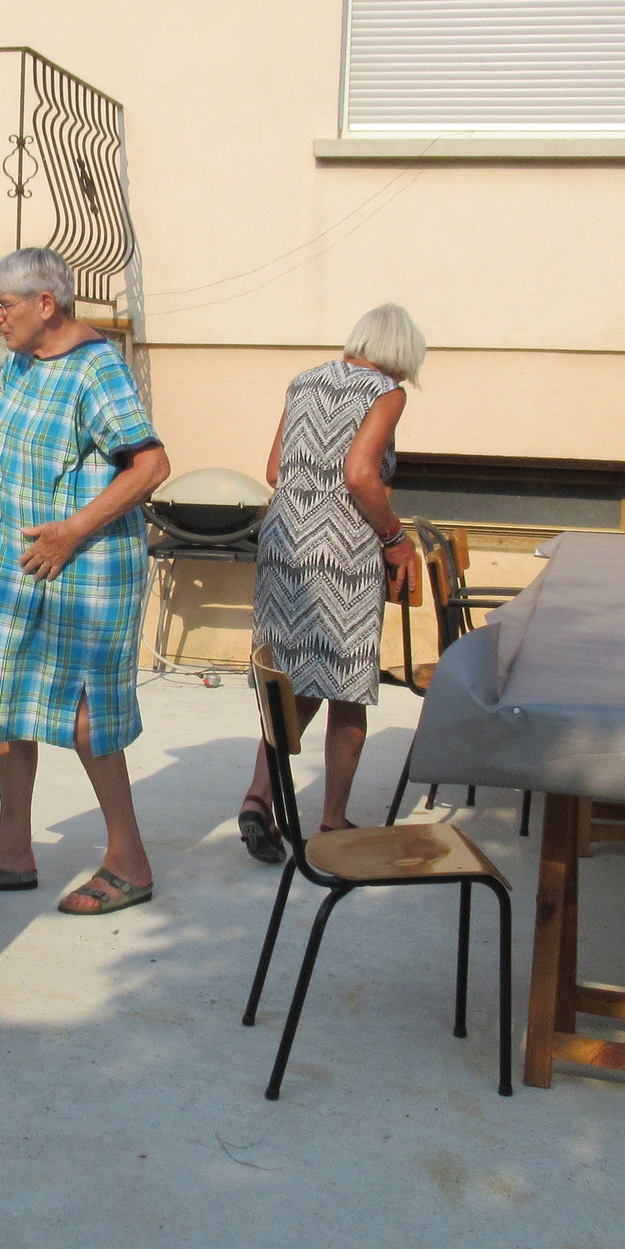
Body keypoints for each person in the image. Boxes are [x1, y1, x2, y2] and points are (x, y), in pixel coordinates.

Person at [0, 249, 172, 916]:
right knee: (7, 695)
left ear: (46, 304)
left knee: (89, 715)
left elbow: (152, 466)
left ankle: (129, 863)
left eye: (4, 304)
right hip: (26, 568)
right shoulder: (19, 361)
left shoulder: (97, 368)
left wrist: (72, 530)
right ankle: (12, 851)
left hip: (88, 570)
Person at [238, 304, 425, 856]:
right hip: (342, 551)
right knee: (347, 688)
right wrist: (395, 538)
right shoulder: (386, 393)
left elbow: (275, 470)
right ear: (403, 352)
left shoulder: (305, 381)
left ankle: (257, 800)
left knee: (289, 680)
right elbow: (361, 474)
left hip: (283, 546)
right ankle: (333, 822)